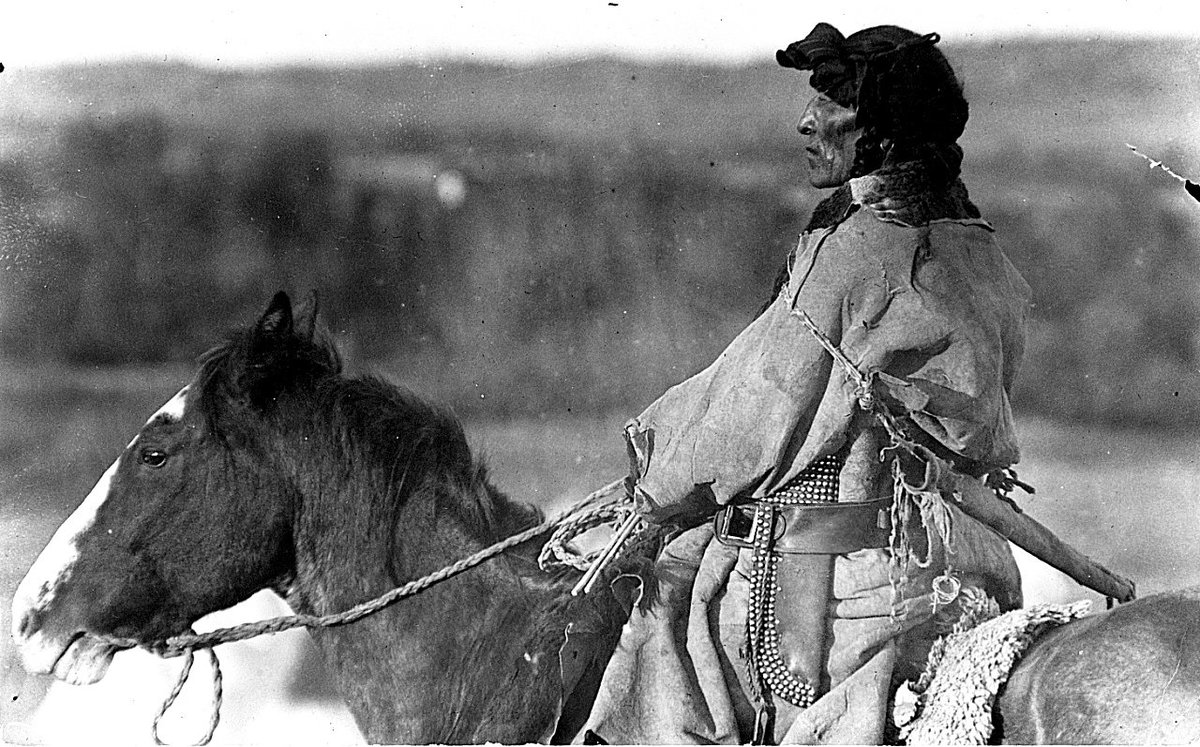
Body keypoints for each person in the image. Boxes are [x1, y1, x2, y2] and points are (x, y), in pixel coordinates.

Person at [579, 23, 1032, 745]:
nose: (806, 120)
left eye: (831, 102)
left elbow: (749, 409)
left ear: (879, 133)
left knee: (660, 614)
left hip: (836, 591)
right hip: (967, 566)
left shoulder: (850, 250)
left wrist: (653, 478)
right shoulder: (977, 247)